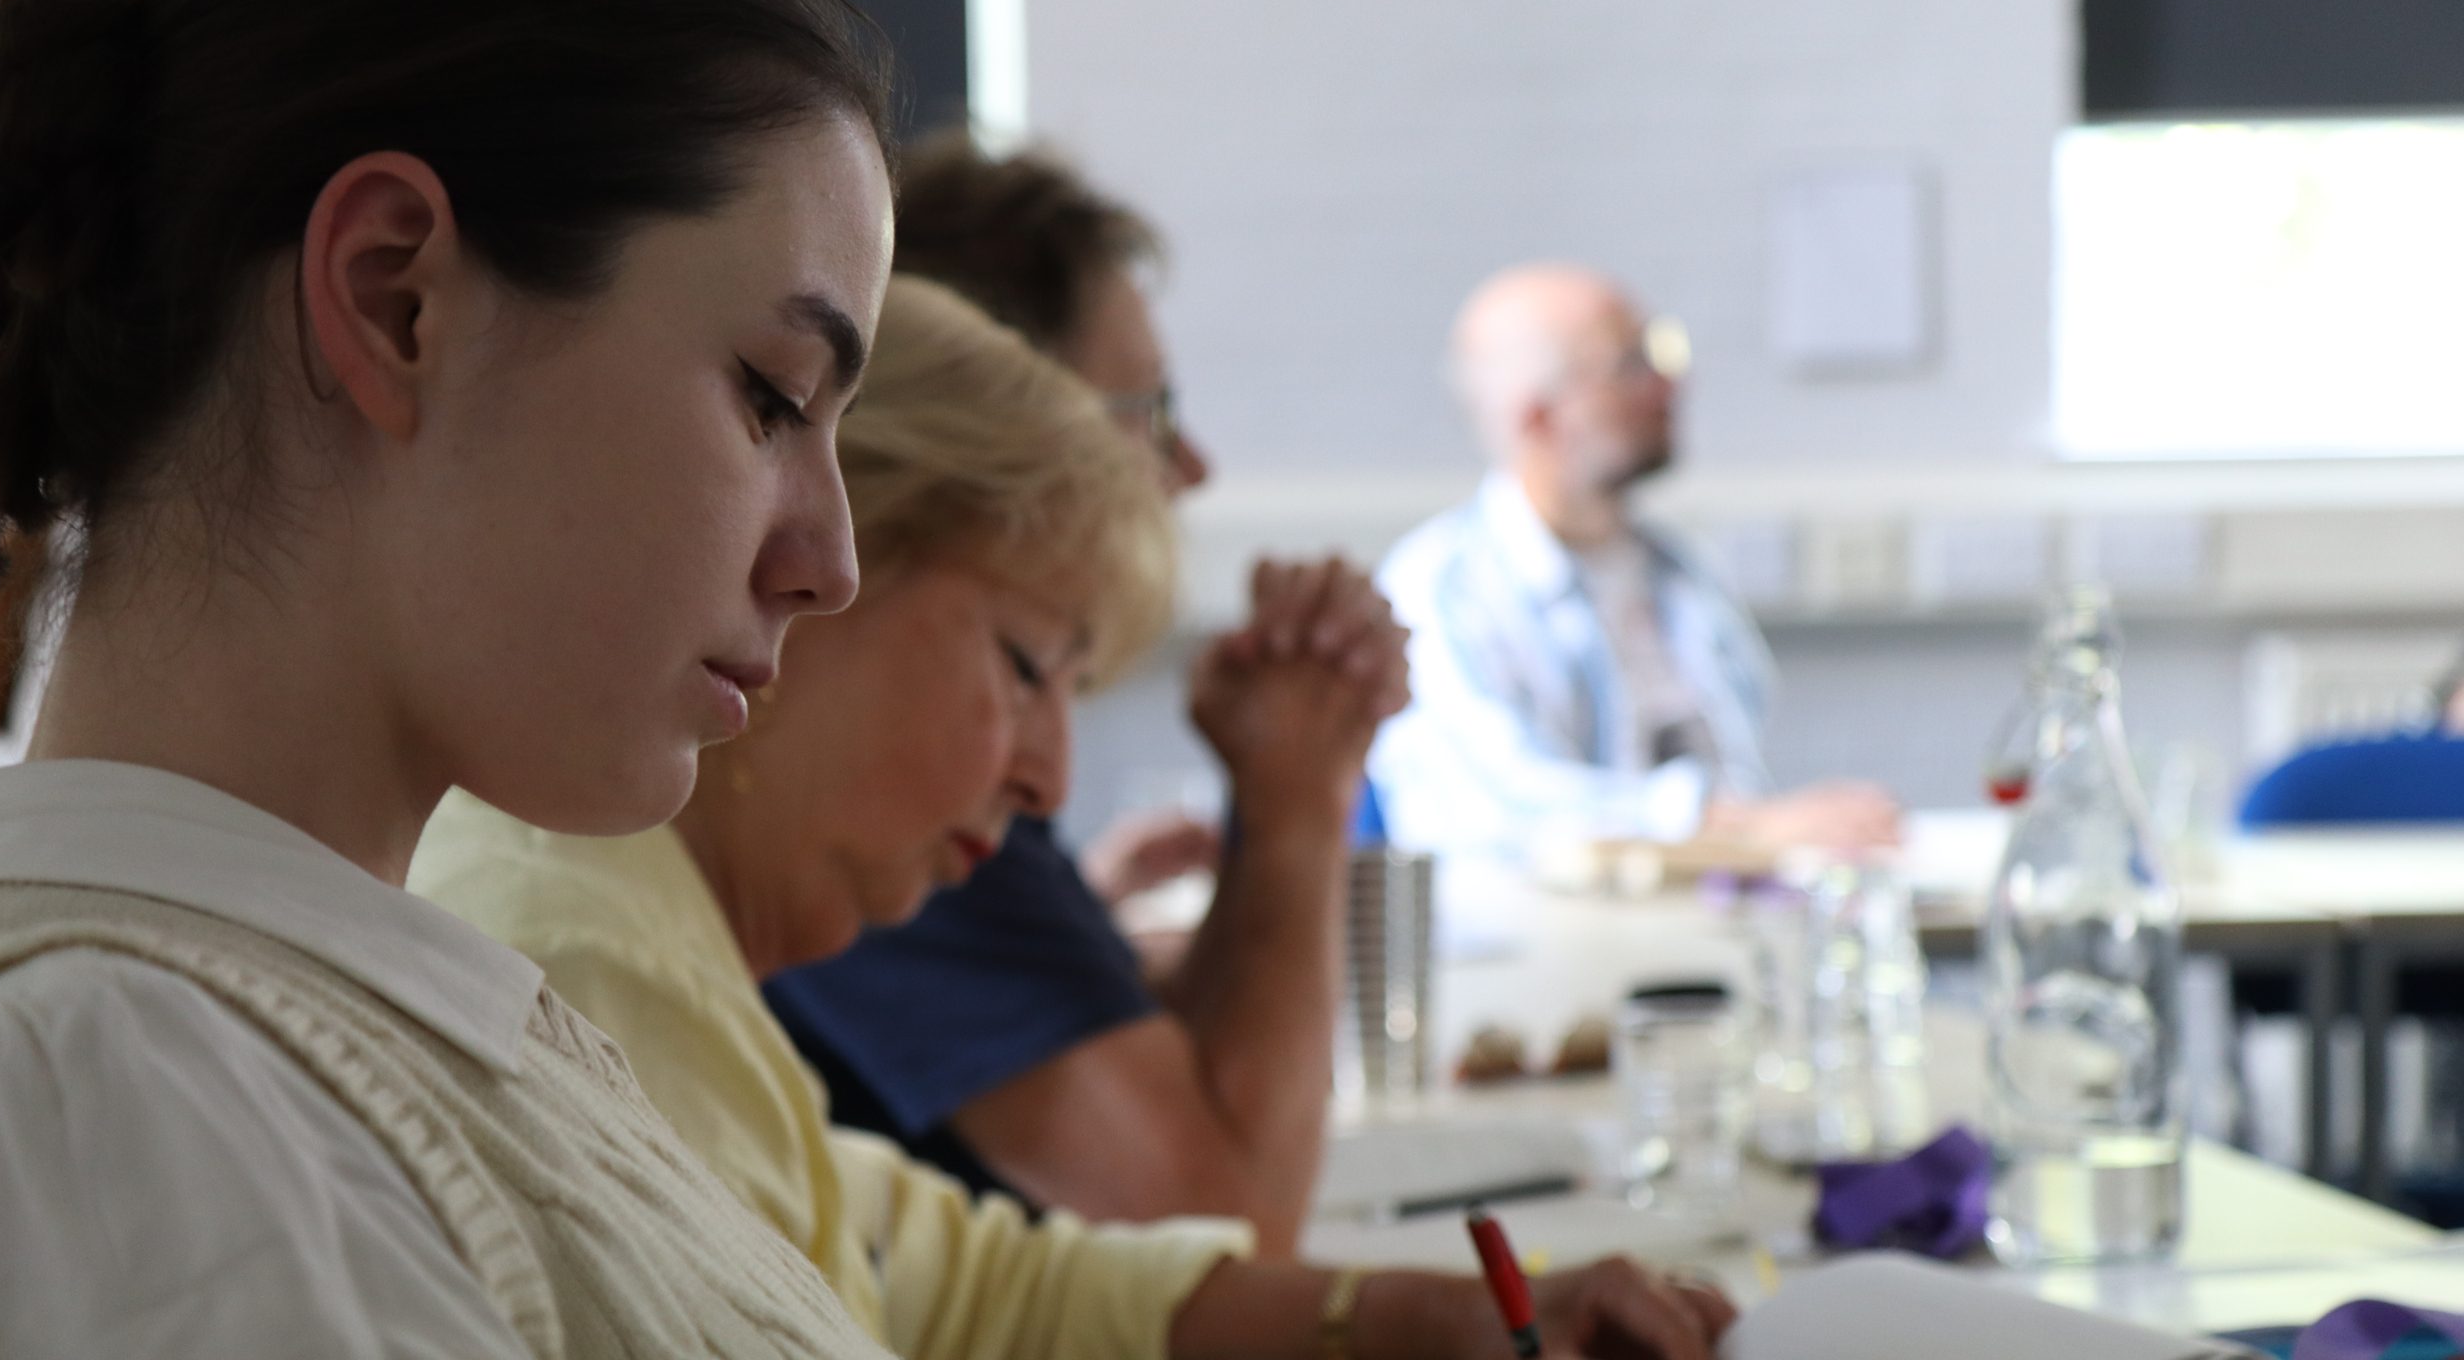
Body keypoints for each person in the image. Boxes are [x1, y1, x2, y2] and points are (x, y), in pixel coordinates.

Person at [0, 0, 909, 1353]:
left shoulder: (276, 1029)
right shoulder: (134, 1104)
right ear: (396, 299)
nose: (833, 563)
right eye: (771, 395)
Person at [411, 276, 1738, 1360]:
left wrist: (1424, 1319)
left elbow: (977, 1289)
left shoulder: (642, 918)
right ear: (812, 574)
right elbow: (1206, 1201)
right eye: (1027, 664)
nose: (1048, 777)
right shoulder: (589, 963)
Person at [765, 133, 1404, 1253]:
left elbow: (1166, 1089)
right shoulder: (874, 785)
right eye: (1149, 413)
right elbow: (1225, 1226)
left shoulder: (912, 752)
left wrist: (1268, 801)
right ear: (1006, 419)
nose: (1191, 466)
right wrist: (1304, 798)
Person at [1370, 263, 1901, 874]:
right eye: (1629, 366)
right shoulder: (1438, 593)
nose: (1669, 386)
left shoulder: (1679, 574)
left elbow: (1734, 775)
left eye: (1663, 353)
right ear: (1538, 419)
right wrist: (1751, 829)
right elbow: (1511, 815)